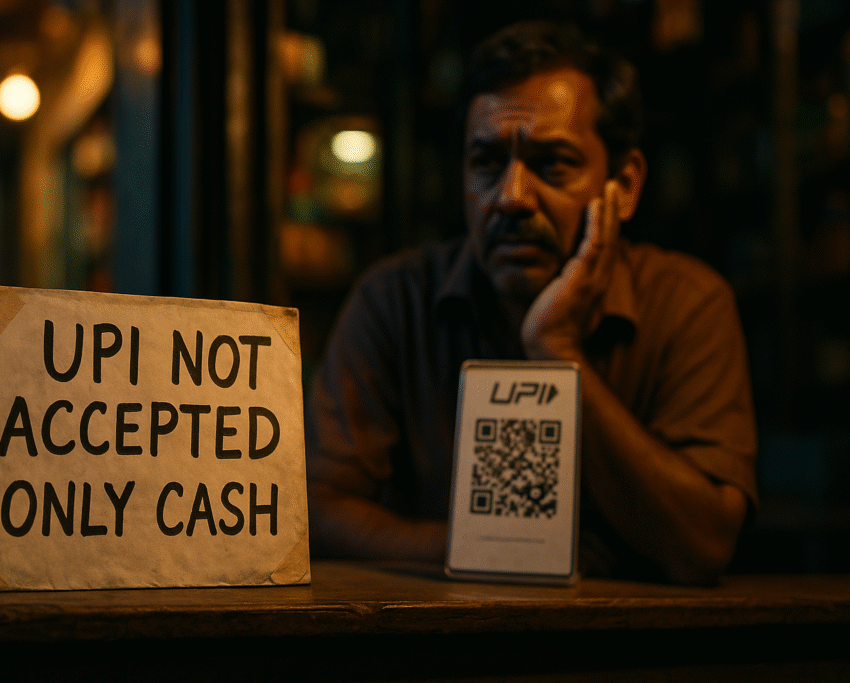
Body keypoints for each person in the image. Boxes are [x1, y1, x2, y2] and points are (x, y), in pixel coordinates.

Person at [304, 20, 758, 585]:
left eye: (552, 164)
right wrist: (493, 551)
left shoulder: (686, 303)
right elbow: (314, 511)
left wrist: (556, 349)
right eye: (487, 163)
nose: (512, 198)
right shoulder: (394, 300)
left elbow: (705, 543)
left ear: (626, 184)